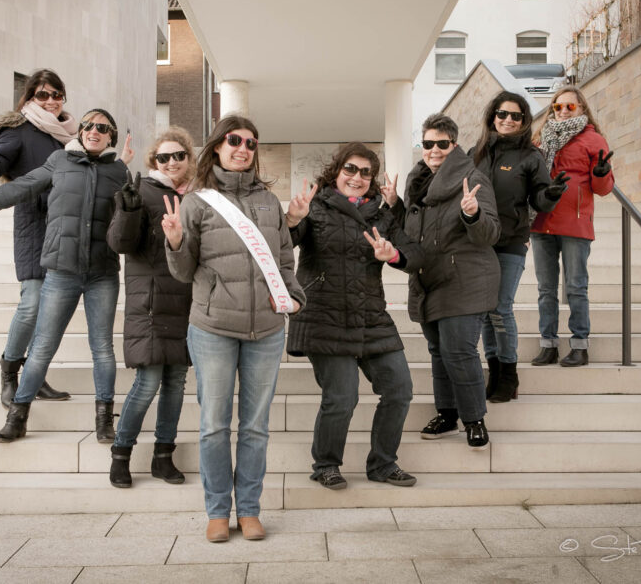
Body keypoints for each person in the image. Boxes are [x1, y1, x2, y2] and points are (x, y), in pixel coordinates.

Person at [0, 109, 129, 443]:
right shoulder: (59, 161)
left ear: (110, 137)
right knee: (43, 346)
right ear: (81, 131)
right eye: (88, 125)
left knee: (103, 348)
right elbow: (19, 188)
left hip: (102, 274)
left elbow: (131, 222)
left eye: (103, 128)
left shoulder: (120, 172)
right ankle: (17, 418)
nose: (94, 131)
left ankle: (104, 421)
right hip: (61, 271)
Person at [163, 115, 305, 543]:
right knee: (213, 425)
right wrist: (175, 242)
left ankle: (249, 510)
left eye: (250, 143)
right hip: (213, 328)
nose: (243, 148)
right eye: (234, 140)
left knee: (256, 426)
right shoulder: (197, 202)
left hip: (266, 329)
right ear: (217, 146)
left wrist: (294, 296)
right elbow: (183, 272)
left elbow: (284, 260)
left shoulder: (269, 201)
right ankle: (217, 510)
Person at [286, 142, 424, 490]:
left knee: (400, 389)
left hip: (370, 316)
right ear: (336, 171)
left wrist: (394, 255)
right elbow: (284, 243)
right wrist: (292, 219)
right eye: (350, 169)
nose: (357, 177)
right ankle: (326, 465)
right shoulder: (315, 206)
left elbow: (415, 254)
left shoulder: (381, 214)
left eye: (365, 172)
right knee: (342, 397)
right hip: (324, 315)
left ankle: (383, 464)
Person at [0, 69, 75, 406]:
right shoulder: (19, 130)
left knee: (51, 310)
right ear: (29, 97)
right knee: (32, 304)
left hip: (66, 230)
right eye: (42, 94)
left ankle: (35, 374)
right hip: (34, 225)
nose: (51, 101)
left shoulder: (71, 136)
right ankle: (9, 374)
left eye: (56, 94)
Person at [398, 113, 500, 449]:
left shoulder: (472, 178)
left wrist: (472, 213)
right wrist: (393, 206)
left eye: (442, 144)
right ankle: (447, 413)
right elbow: (411, 232)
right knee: (439, 351)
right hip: (430, 280)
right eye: (428, 143)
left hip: (465, 278)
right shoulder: (417, 182)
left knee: (458, 350)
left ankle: (474, 420)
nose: (434, 150)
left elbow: (490, 233)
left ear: (454, 145)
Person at [105, 127, 196, 488]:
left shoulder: (198, 196)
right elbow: (120, 243)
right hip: (152, 302)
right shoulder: (141, 191)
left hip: (188, 303)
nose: (172, 162)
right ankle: (121, 453)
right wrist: (128, 210)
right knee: (147, 383)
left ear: (189, 159)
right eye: (164, 157)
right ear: (154, 161)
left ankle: (163, 456)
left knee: (176, 383)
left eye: (179, 155)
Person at [468, 92, 568, 403]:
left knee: (500, 307)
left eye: (516, 115)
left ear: (524, 120)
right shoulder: (476, 153)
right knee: (485, 311)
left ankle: (509, 374)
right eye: (502, 114)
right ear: (492, 116)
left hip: (511, 241)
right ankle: (494, 370)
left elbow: (540, 199)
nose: (508, 120)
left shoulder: (530, 156)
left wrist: (551, 193)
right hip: (478, 242)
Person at [530, 86, 614, 367]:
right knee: (546, 289)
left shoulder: (593, 139)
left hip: (575, 224)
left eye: (570, 106)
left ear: (582, 108)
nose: (564, 111)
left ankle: (579, 345)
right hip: (542, 222)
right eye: (558, 106)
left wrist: (601, 174)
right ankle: (548, 344)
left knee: (576, 287)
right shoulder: (540, 138)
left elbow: (603, 189)